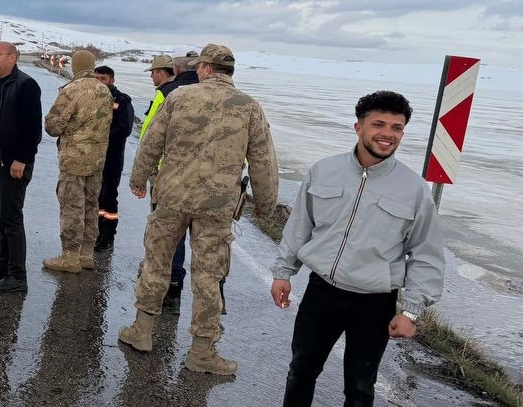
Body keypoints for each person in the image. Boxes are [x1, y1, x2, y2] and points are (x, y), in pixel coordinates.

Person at [272, 91, 445, 406]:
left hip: (374, 304)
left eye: (397, 127)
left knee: (360, 387)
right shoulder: (323, 170)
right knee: (300, 372)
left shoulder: (414, 189)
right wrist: (283, 272)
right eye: (379, 124)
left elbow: (426, 254)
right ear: (358, 127)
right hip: (321, 293)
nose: (388, 134)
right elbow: (299, 226)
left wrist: (411, 310)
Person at [119, 43, 278, 376]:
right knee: (208, 275)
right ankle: (202, 351)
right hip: (216, 205)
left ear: (205, 69)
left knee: (157, 262)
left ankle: (142, 331)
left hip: (171, 197)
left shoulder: (179, 97)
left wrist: (137, 179)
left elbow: (151, 142)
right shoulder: (249, 107)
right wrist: (265, 206)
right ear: (230, 72)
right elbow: (263, 161)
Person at [139, 47, 201, 313]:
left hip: (170, 178)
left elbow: (149, 135)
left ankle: (166, 291)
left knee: (168, 235)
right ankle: (206, 299)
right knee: (209, 243)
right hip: (214, 184)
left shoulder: (168, 94)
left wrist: (143, 174)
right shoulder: (234, 99)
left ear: (175, 70)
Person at [0, 42, 42, 294]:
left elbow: (32, 127)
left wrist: (22, 159)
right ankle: (4, 265)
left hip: (14, 163)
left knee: (12, 218)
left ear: (12, 57)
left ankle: (17, 276)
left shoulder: (25, 85)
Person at [42, 50, 113, 273]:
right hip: (97, 160)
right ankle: (86, 254)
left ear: (75, 66)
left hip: (74, 160)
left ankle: (70, 256)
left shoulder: (72, 90)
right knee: (91, 207)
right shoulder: (105, 90)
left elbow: (53, 126)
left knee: (72, 207)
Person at [92, 65, 134, 252]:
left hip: (111, 158)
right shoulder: (90, 97)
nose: (99, 82)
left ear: (112, 80)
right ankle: (94, 232)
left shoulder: (121, 101)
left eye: (103, 79)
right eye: (96, 78)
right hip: (92, 157)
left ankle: (107, 235)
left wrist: (100, 136)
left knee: (108, 197)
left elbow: (125, 129)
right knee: (93, 196)